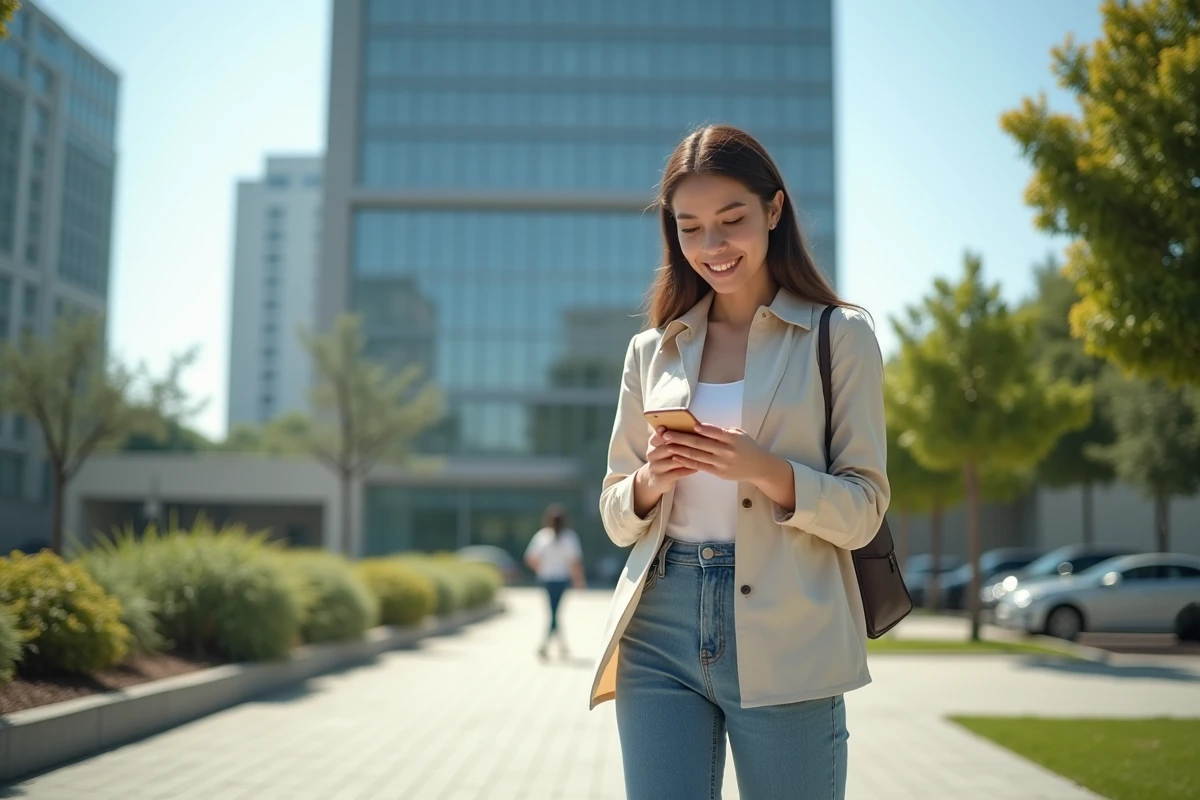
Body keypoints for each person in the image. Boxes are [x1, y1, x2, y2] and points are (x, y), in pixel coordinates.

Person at [590, 125, 889, 800]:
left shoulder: (839, 338)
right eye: (690, 228)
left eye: (732, 221)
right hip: (659, 623)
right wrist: (650, 480)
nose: (712, 246)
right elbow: (614, 513)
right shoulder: (652, 351)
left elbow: (865, 510)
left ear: (774, 211)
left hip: (788, 623)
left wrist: (762, 467)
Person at [524, 503, 587, 660]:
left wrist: (542, 568)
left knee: (553, 612)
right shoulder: (569, 537)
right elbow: (574, 563)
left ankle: (549, 645)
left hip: (547, 579)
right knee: (555, 612)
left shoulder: (542, 536)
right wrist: (579, 581)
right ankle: (555, 645)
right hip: (560, 580)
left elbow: (530, 558)